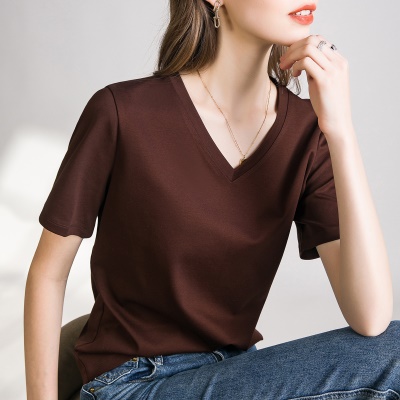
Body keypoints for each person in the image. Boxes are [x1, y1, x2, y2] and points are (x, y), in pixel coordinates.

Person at [24, 0, 399, 399]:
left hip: (233, 372)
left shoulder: (307, 131)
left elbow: (371, 318)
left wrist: (340, 129)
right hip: (133, 382)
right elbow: (48, 275)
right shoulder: (124, 112)